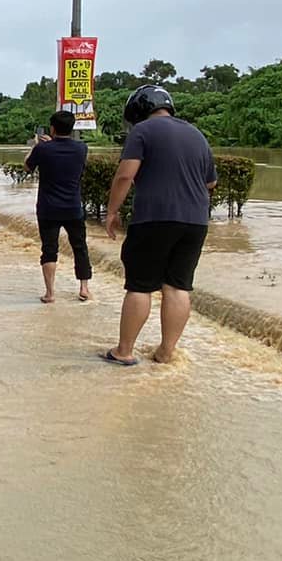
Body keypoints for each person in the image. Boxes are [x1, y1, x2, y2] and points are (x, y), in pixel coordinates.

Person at [101, 83, 216, 365]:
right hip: (196, 222)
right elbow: (211, 182)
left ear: (138, 111)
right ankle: (166, 352)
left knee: (140, 285)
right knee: (177, 286)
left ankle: (124, 352)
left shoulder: (142, 131)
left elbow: (125, 176)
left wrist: (112, 211)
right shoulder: (197, 134)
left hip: (154, 218)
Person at [25, 110, 90, 303]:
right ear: (72, 128)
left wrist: (36, 146)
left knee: (49, 249)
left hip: (48, 208)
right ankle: (84, 289)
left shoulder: (43, 149)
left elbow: (27, 167)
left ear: (52, 128)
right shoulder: (82, 148)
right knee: (80, 247)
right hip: (73, 207)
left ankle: (50, 293)